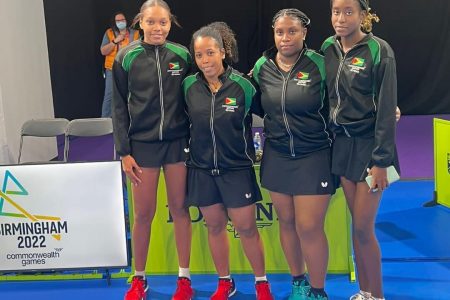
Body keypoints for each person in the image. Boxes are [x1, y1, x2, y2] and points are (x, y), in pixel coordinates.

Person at [182, 22, 273, 300]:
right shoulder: (188, 86)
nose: (205, 60)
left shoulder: (244, 86)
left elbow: (276, 110)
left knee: (246, 228)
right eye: (199, 55)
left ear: (222, 52)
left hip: (236, 170)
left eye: (210, 53)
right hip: (201, 169)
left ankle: (261, 283)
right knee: (215, 227)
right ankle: (225, 282)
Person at [111, 1, 194, 299]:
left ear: (170, 23)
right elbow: (118, 107)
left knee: (180, 209)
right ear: (140, 23)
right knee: (144, 214)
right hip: (141, 147)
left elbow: (195, 96)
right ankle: (139, 278)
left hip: (177, 144)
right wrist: (124, 152)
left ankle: (184, 279)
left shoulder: (183, 55)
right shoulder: (125, 57)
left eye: (163, 23)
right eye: (151, 22)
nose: (158, 28)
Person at [252, 9, 334, 300]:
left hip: (314, 154)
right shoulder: (262, 65)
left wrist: (386, 109)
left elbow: (348, 95)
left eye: (292, 32)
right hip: (277, 154)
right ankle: (298, 282)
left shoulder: (320, 65)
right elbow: (248, 101)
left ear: (304, 33)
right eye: (279, 32)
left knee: (309, 226)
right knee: (286, 223)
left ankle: (318, 290)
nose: (285, 38)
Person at [321, 1, 400, 299]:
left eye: (348, 12)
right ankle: (364, 292)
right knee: (356, 227)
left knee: (364, 228)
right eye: (335, 11)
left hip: (372, 150)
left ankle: (377, 296)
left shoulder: (380, 51)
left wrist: (381, 162)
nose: (340, 19)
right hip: (343, 145)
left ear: (364, 15)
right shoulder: (329, 46)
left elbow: (385, 110)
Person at [100, 12, 139, 118]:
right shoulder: (109, 33)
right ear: (114, 22)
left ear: (127, 21)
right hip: (112, 69)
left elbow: (138, 51)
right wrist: (115, 41)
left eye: (122, 20)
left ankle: (130, 120)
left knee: (131, 95)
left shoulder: (135, 34)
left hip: (129, 69)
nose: (120, 22)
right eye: (118, 21)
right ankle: (104, 123)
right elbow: (103, 51)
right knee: (109, 96)